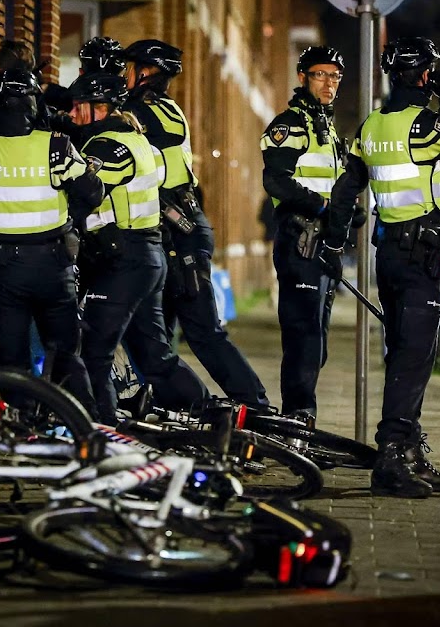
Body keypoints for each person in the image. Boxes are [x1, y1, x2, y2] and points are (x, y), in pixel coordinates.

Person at [325, 36, 440, 498]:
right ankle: (393, 457)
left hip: (389, 255)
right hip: (420, 256)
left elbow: (348, 189)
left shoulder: (371, 127)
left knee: (403, 350)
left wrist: (332, 244)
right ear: (425, 75)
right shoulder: (425, 126)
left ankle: (409, 450)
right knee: (414, 356)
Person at [121, 38, 270, 408]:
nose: (122, 75)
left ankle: (253, 406)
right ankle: (175, 407)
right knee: (159, 337)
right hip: (176, 230)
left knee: (203, 332)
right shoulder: (159, 107)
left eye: (127, 68)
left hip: (179, 235)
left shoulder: (149, 110)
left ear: (143, 72)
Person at [0, 41, 103, 419]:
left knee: (12, 361)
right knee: (65, 355)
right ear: (33, 103)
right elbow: (93, 191)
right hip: (52, 264)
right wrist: (67, 217)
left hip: (1, 268)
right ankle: (88, 428)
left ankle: (23, 431)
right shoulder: (56, 145)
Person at [67, 71, 209, 423]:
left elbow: (84, 193)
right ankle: (207, 417)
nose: (72, 115)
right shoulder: (137, 138)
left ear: (100, 108)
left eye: (78, 107)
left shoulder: (107, 145)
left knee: (94, 352)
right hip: (148, 256)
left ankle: (103, 433)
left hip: (124, 260)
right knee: (155, 357)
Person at [260, 46, 348, 420]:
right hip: (299, 240)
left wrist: (348, 213)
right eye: (320, 75)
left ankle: (302, 412)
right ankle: (299, 415)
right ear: (302, 77)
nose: (328, 83)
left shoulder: (326, 129)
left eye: (335, 76)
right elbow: (275, 181)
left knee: (317, 338)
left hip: (323, 243)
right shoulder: (289, 125)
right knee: (303, 335)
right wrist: (321, 206)